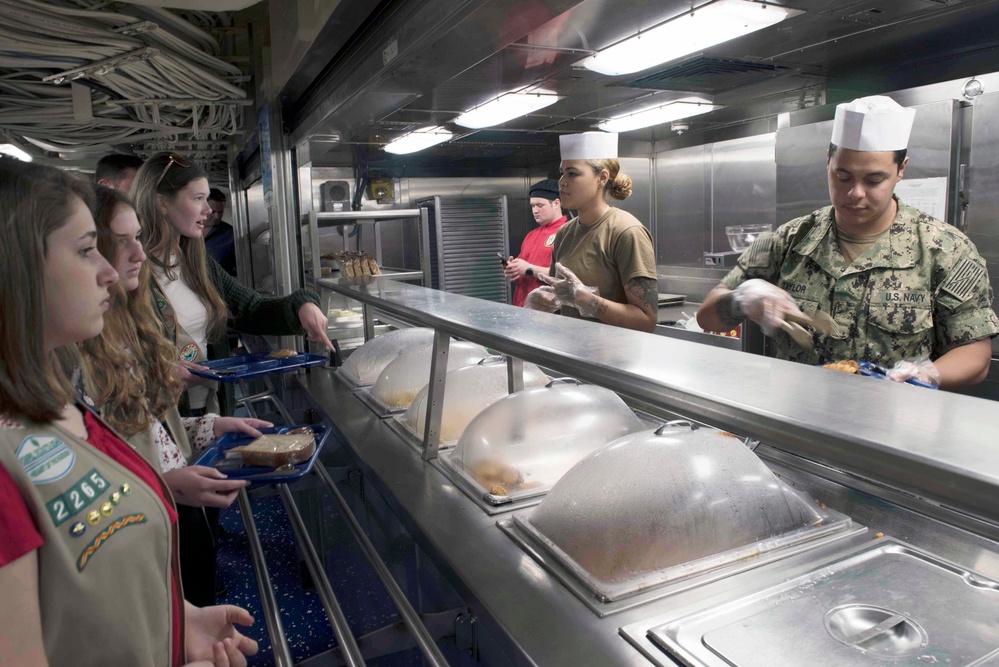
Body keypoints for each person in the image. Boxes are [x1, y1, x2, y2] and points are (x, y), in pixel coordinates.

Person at [0, 159, 257, 666]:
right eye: (86, 250)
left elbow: (85, 601)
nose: (109, 270)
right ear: (18, 271)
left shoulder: (60, 410)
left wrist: (175, 622)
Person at [696, 96, 999, 389]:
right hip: (797, 423)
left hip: (895, 425)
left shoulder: (945, 250)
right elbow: (707, 316)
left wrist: (927, 373)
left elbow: (975, 353)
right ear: (828, 162)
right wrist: (741, 300)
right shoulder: (788, 241)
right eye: (843, 177)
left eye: (873, 180)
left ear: (901, 169)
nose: (855, 193)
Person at [79, 186, 271, 606]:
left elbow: (146, 432)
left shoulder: (129, 323)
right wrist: (164, 486)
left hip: (171, 510)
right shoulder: (71, 362)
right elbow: (82, 497)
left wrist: (210, 426)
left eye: (137, 238)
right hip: (145, 526)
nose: (137, 255)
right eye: (117, 242)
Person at [131, 152, 334, 416]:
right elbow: (111, 354)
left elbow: (249, 308)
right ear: (161, 203)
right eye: (198, 199)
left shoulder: (195, 261)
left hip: (210, 409)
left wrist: (301, 306)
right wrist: (158, 370)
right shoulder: (129, 270)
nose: (208, 210)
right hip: (161, 415)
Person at [526, 131, 658, 332]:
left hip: (614, 359)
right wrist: (545, 303)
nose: (561, 181)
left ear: (602, 178)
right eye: (562, 172)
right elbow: (562, 300)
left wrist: (585, 299)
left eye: (572, 173)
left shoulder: (625, 231)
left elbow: (645, 321)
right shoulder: (564, 234)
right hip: (573, 352)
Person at [504, 178, 568, 307]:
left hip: (549, 312)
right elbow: (523, 272)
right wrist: (514, 268)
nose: (535, 211)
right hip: (522, 308)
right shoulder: (531, 235)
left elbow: (567, 276)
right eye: (533, 206)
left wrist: (528, 269)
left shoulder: (567, 233)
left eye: (540, 205)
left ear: (556, 203)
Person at [205, 188, 237, 277]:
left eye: (220, 212)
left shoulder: (230, 235)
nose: (216, 216)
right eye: (213, 212)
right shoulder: (186, 231)